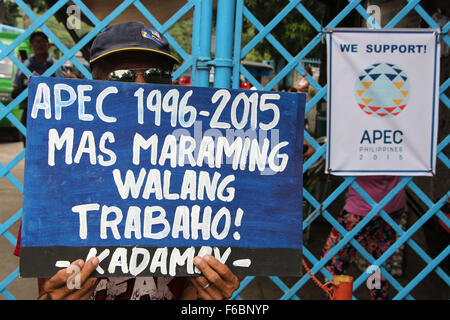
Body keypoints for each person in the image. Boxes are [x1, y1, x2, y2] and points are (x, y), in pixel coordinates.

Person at [14, 21, 240, 300]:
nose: (141, 87)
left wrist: (210, 296)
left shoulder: (200, 180)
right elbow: (46, 293)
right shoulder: (55, 185)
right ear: (94, 86)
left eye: (156, 76)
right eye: (122, 76)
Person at [321, 175, 406, 300]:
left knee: (331, 259)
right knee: (379, 260)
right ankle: (379, 296)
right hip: (393, 202)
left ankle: (336, 296)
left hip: (362, 206)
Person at [11, 31, 68, 145]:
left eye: (43, 42)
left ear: (48, 45)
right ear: (31, 46)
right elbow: (15, 89)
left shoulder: (57, 65)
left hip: (53, 112)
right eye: (36, 42)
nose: (40, 45)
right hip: (30, 111)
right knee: (29, 145)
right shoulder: (24, 67)